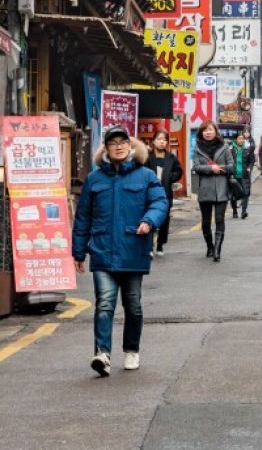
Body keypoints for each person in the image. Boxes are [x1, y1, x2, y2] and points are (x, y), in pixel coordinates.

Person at [72, 125, 168, 377]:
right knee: (104, 304)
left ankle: (131, 350)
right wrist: (78, 252)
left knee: (133, 305)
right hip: (102, 251)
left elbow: (160, 201)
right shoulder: (94, 179)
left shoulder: (145, 175)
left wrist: (149, 220)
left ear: (130, 146)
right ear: (106, 148)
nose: (117, 146)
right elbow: (83, 217)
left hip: (133, 250)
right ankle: (102, 354)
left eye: (122, 142)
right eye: (112, 142)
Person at [192, 120, 234, 262]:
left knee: (219, 219)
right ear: (201, 133)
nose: (208, 132)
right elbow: (196, 167)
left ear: (215, 132)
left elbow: (231, 166)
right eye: (205, 130)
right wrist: (211, 169)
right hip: (205, 189)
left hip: (222, 188)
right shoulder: (197, 148)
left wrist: (219, 168)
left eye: (210, 130)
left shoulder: (225, 146)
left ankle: (217, 250)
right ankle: (209, 246)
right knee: (205, 222)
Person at [145, 129, 183, 255]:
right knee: (149, 218)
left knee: (164, 219)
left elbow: (179, 171)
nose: (161, 142)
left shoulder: (171, 157)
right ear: (153, 141)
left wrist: (171, 178)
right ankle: (149, 246)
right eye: (159, 139)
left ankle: (160, 245)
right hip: (149, 192)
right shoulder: (148, 157)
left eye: (164, 140)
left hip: (165, 193)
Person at [230, 129, 255, 219]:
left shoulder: (248, 149)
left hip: (245, 175)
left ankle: (244, 211)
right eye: (239, 138)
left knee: (246, 193)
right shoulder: (231, 149)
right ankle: (234, 211)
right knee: (234, 194)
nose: (241, 140)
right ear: (236, 139)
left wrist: (249, 168)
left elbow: (252, 161)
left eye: (242, 139)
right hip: (234, 175)